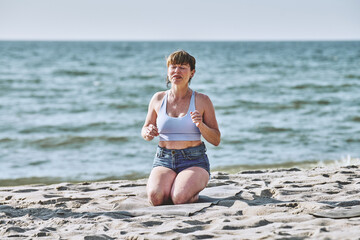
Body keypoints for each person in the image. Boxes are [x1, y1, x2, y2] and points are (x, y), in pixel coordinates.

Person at [141, 50, 221, 206]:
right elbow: (145, 130)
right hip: (163, 160)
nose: (177, 71)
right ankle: (174, 184)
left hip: (194, 161)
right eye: (173, 67)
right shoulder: (158, 98)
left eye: (183, 67)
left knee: (179, 198)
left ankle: (188, 191)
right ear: (168, 70)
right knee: (155, 198)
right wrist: (148, 132)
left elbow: (216, 139)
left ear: (192, 73)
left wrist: (201, 125)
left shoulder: (202, 100)